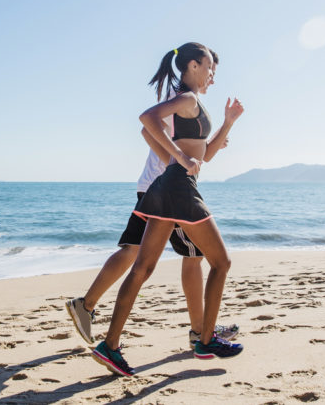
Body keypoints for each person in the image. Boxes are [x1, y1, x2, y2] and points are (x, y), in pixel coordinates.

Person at [65, 49, 239, 352]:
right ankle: (201, 333)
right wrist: (179, 161)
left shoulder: (190, 101)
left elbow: (201, 151)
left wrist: (212, 137)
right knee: (190, 258)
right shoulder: (183, 97)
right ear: (193, 66)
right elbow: (147, 128)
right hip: (168, 190)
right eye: (210, 68)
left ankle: (91, 310)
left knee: (139, 256)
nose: (213, 75)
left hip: (162, 186)